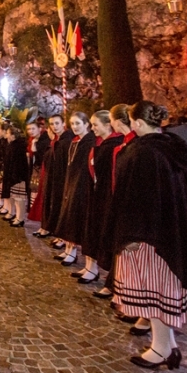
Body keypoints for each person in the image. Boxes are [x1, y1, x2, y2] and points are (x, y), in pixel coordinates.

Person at [104, 101, 187, 370]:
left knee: (154, 290)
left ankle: (160, 348)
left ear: (137, 123)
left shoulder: (144, 153)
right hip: (165, 230)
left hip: (149, 235)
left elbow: (137, 198)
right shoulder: (166, 147)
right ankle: (168, 345)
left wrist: (130, 235)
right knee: (161, 289)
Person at [79, 110, 124, 285]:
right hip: (96, 193)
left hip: (106, 195)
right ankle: (91, 267)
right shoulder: (100, 143)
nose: (92, 128)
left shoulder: (113, 145)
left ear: (108, 125)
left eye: (95, 124)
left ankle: (110, 277)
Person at [54, 111, 94, 267]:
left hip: (82, 185)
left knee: (75, 218)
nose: (75, 127)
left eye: (78, 123)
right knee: (68, 216)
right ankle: (69, 249)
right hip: (71, 183)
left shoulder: (90, 142)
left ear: (86, 124)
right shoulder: (75, 141)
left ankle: (75, 253)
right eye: (72, 124)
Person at [41, 114, 73, 245]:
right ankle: (59, 234)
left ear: (63, 123)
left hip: (63, 179)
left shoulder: (67, 141)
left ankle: (63, 238)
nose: (54, 126)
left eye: (57, 123)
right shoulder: (57, 140)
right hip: (55, 178)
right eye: (52, 124)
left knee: (62, 207)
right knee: (56, 205)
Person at [3, 123, 30, 227]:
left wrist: (15, 177)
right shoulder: (12, 145)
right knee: (15, 197)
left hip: (18, 177)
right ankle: (17, 216)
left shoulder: (17, 147)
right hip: (13, 176)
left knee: (19, 198)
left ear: (13, 135)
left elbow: (18, 163)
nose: (6, 135)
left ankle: (20, 218)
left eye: (8, 133)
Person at [27, 120, 50, 224]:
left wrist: (35, 147)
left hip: (41, 170)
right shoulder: (33, 140)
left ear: (40, 129)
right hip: (35, 169)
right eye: (29, 129)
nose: (31, 131)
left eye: (33, 129)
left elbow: (42, 157)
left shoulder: (44, 141)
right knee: (34, 191)